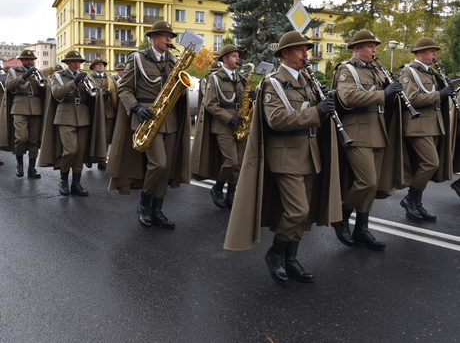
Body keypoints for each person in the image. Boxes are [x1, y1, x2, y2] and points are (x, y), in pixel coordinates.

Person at [224, 31, 342, 285]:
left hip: (310, 154)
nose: (305, 55)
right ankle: (275, 253)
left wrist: (325, 103)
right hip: (286, 156)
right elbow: (275, 119)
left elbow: (314, 112)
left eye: (306, 50)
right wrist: (315, 112)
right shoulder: (273, 83)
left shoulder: (307, 81)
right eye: (300, 50)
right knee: (297, 210)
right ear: (285, 54)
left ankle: (291, 259)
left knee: (304, 212)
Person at [106, 20, 191, 230]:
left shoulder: (173, 60)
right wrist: (135, 108)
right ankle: (144, 205)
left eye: (170, 36)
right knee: (158, 164)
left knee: (166, 168)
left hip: (169, 120)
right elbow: (124, 89)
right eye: (165, 36)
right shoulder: (137, 58)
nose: (169, 39)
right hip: (146, 119)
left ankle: (157, 210)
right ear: (153, 38)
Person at [331, 30, 404, 251]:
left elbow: (387, 98)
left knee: (372, 187)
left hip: (378, 131)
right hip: (357, 132)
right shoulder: (347, 69)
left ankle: (361, 229)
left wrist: (395, 92)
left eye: (375, 46)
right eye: (370, 46)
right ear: (357, 48)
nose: (374, 50)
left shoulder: (375, 69)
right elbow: (348, 97)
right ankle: (341, 215)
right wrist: (384, 94)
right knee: (367, 181)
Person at [191, 44, 255, 209]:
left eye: (238, 56)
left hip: (240, 125)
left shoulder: (241, 79)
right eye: (234, 56)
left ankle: (230, 195)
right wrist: (228, 118)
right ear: (225, 59)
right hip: (223, 126)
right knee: (231, 161)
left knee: (239, 164)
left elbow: (245, 101)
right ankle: (217, 188)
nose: (237, 59)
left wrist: (254, 97)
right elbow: (210, 104)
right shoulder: (215, 78)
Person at [398, 37, 454, 221]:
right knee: (431, 163)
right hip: (418, 125)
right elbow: (411, 98)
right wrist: (439, 94)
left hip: (434, 124)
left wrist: (445, 85)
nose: (435, 54)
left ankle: (416, 204)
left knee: (421, 167)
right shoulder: (409, 72)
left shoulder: (431, 73)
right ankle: (410, 199)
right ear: (419, 53)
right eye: (432, 51)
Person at [38, 50, 106, 196]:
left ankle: (76, 184)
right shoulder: (58, 76)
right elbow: (57, 93)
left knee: (80, 152)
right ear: (67, 63)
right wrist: (74, 82)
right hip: (65, 115)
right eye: (74, 62)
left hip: (83, 116)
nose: (77, 64)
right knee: (70, 150)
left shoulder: (85, 76)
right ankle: (63, 180)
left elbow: (93, 94)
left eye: (79, 62)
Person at [4, 49, 45, 178]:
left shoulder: (39, 72)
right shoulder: (13, 71)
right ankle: (19, 164)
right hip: (19, 108)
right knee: (21, 138)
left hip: (36, 108)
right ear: (21, 60)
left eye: (31, 59)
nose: (29, 62)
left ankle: (31, 168)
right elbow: (9, 86)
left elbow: (46, 88)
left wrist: (44, 84)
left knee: (34, 140)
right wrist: (24, 76)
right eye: (27, 59)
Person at [88, 57, 116, 170]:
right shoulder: (88, 78)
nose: (100, 66)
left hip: (108, 111)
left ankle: (102, 159)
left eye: (102, 64)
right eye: (98, 64)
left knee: (107, 136)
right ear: (93, 67)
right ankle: (89, 158)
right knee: (92, 135)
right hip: (95, 111)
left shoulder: (110, 77)